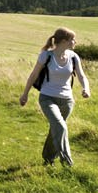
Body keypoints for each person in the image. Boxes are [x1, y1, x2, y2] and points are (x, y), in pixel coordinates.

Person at [18, 27, 91, 166]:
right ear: (64, 41)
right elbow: (33, 75)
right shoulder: (46, 56)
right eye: (72, 39)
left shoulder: (73, 57)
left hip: (67, 101)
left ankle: (48, 158)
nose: (75, 42)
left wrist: (85, 88)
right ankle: (67, 162)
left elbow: (81, 76)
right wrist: (25, 94)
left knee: (56, 129)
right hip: (47, 97)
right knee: (60, 127)